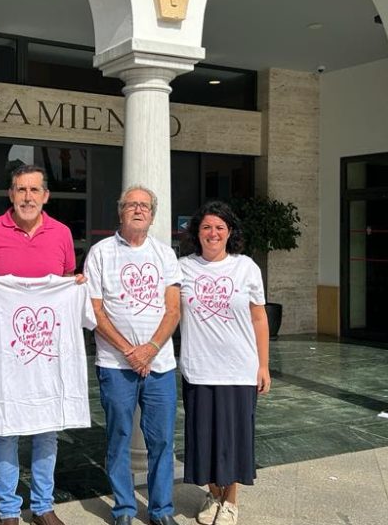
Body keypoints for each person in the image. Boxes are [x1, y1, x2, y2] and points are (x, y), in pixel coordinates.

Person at [0, 164, 79, 525]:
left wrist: (75, 287)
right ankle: (9, 511)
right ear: (11, 194)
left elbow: (66, 285)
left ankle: (43, 506)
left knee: (47, 430)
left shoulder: (62, 234)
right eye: (21, 189)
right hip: (6, 356)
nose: (28, 197)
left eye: (34, 190)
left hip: (46, 356)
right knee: (4, 430)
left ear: (46, 195)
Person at [84, 185, 182, 525]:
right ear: (120, 211)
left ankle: (161, 510)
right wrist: (129, 351)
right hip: (115, 365)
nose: (138, 210)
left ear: (152, 215)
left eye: (145, 206)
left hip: (160, 365)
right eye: (131, 205)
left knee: (162, 440)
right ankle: (124, 508)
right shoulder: (100, 253)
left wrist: (150, 349)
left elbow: (173, 310)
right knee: (119, 437)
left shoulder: (165, 254)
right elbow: (95, 312)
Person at [178, 201, 271, 525]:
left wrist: (263, 365)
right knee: (203, 439)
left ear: (230, 232)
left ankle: (230, 500)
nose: (213, 233)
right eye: (206, 227)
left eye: (219, 227)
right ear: (197, 232)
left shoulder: (246, 267)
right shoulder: (183, 268)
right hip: (199, 368)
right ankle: (213, 494)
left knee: (233, 439)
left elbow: (259, 318)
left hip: (239, 369)